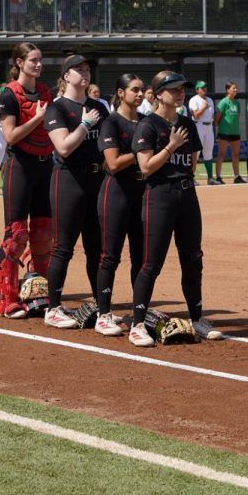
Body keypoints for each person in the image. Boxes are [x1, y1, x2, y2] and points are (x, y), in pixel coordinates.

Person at [129, 71, 223, 346]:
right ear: (159, 94)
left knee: (193, 258)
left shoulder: (187, 124)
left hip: (187, 195)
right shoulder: (147, 126)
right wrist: (170, 147)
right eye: (173, 89)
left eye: (183, 88)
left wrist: (176, 156)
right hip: (159, 196)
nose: (180, 93)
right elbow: (145, 168)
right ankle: (137, 325)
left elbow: (192, 164)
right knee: (151, 263)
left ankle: (196, 319)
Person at [44, 55, 108, 328]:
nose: (85, 73)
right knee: (63, 247)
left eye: (87, 69)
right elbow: (64, 147)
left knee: (97, 249)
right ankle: (53, 308)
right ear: (65, 76)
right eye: (78, 69)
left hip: (97, 180)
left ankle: (101, 308)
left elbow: (108, 145)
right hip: (69, 180)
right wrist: (85, 125)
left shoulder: (99, 106)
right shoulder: (57, 108)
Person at [0, 42, 53, 319]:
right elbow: (10, 136)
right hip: (20, 165)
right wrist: (38, 118)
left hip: (45, 166)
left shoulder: (44, 92)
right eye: (33, 60)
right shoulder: (9, 95)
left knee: (43, 234)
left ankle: (38, 294)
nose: (38, 65)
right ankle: (7, 298)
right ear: (19, 62)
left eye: (40, 60)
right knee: (16, 235)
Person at [94, 74, 147, 336]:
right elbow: (113, 164)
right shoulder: (111, 122)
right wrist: (141, 153)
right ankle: (103, 313)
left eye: (142, 90)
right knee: (110, 256)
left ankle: (140, 312)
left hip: (142, 194)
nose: (139, 94)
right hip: (116, 193)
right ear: (121, 92)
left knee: (141, 257)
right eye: (134, 90)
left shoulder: (146, 122)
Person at [188, 81, 218, 185]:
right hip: (198, 125)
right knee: (195, 152)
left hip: (209, 127)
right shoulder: (194, 100)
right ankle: (191, 177)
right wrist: (204, 107)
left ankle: (210, 178)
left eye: (205, 87)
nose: (204, 89)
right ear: (197, 90)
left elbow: (212, 115)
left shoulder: (210, 100)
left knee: (208, 152)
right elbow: (195, 115)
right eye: (201, 87)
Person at [214, 82, 244, 184]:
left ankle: (237, 177)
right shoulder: (223, 102)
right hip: (224, 131)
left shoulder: (237, 102)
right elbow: (217, 117)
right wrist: (221, 127)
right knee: (221, 155)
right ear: (227, 90)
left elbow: (237, 116)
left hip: (235, 132)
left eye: (236, 88)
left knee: (235, 155)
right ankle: (218, 177)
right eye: (233, 88)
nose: (235, 90)